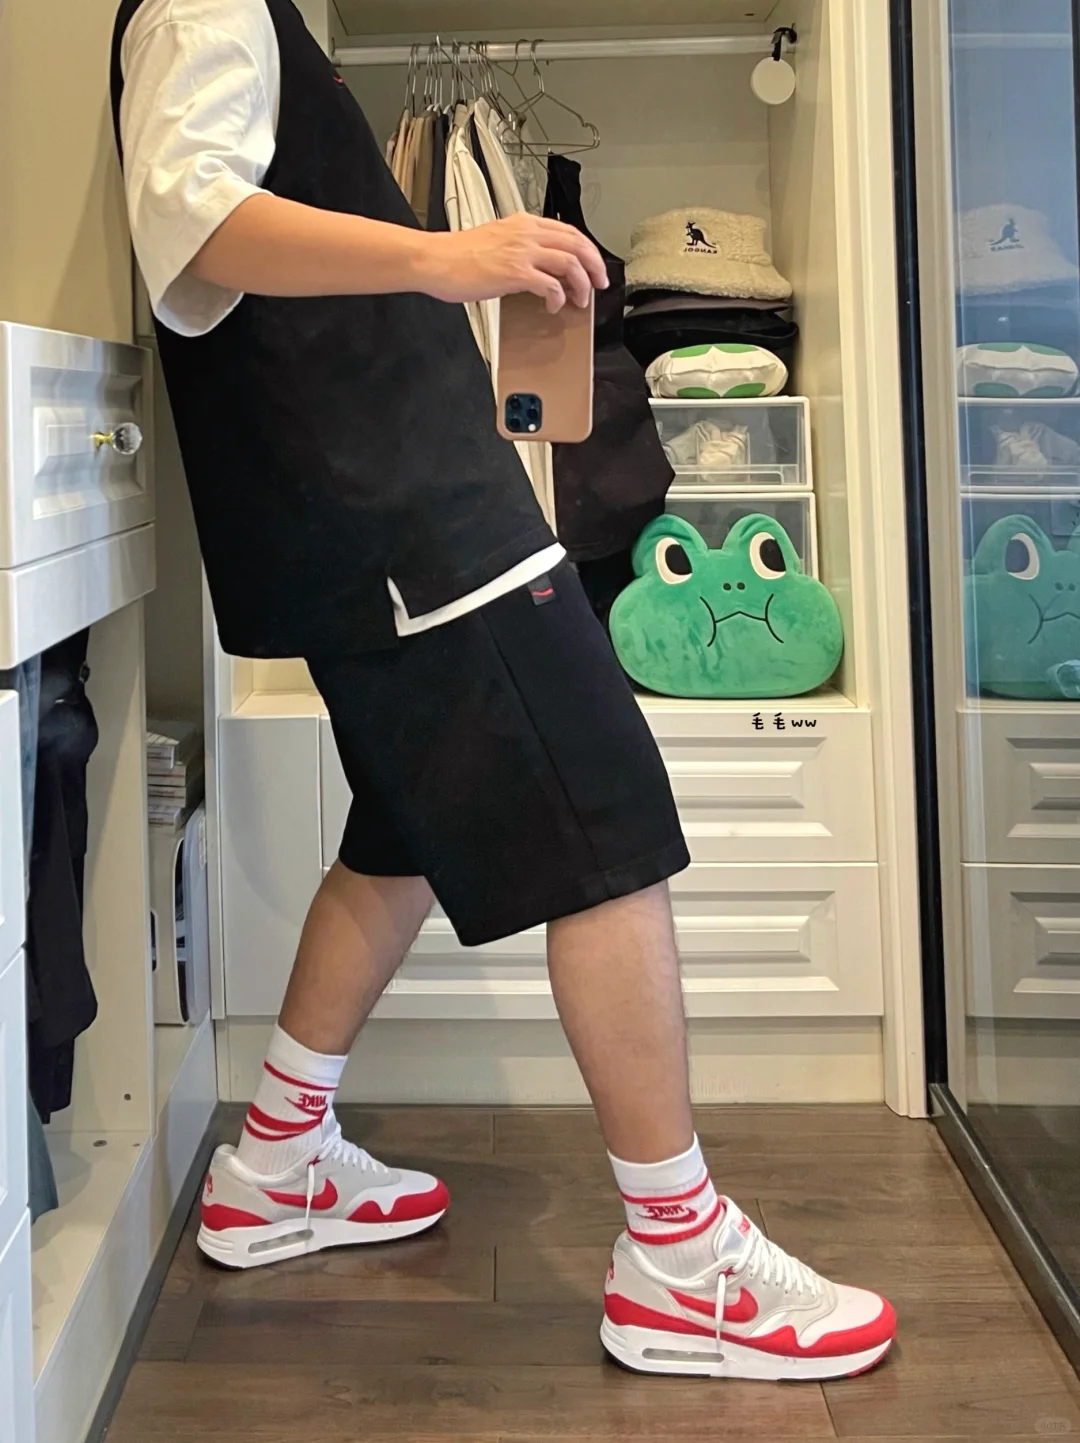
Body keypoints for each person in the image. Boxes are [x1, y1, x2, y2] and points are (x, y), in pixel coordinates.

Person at [110, 0, 896, 1380]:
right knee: (607, 819)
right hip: (409, 519)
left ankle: (277, 1158)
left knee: (399, 832)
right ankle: (682, 1264)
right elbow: (196, 218)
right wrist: (445, 256)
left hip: (386, 512)